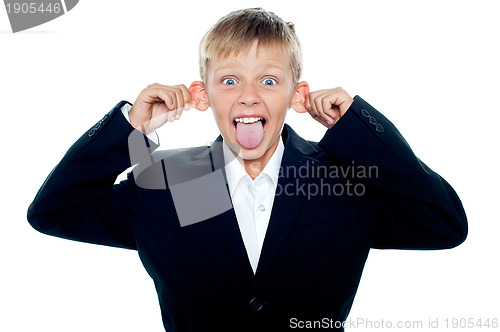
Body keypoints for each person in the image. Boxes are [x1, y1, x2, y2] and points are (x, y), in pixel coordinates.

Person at [27, 7, 468, 332]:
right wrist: (129, 128)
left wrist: (359, 130)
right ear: (203, 94)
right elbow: (53, 212)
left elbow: (444, 224)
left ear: (298, 94)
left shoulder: (344, 179)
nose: (249, 96)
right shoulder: (164, 183)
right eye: (230, 80)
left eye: (270, 80)